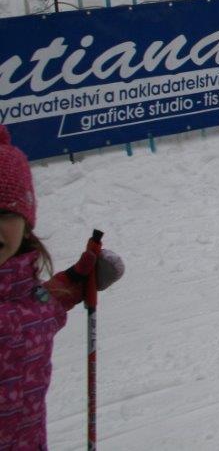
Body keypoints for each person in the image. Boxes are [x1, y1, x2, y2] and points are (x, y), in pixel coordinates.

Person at [0, 125, 125, 448]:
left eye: (5, 214)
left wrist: (74, 282)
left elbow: (40, 308)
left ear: (26, 222)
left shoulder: (26, 296)